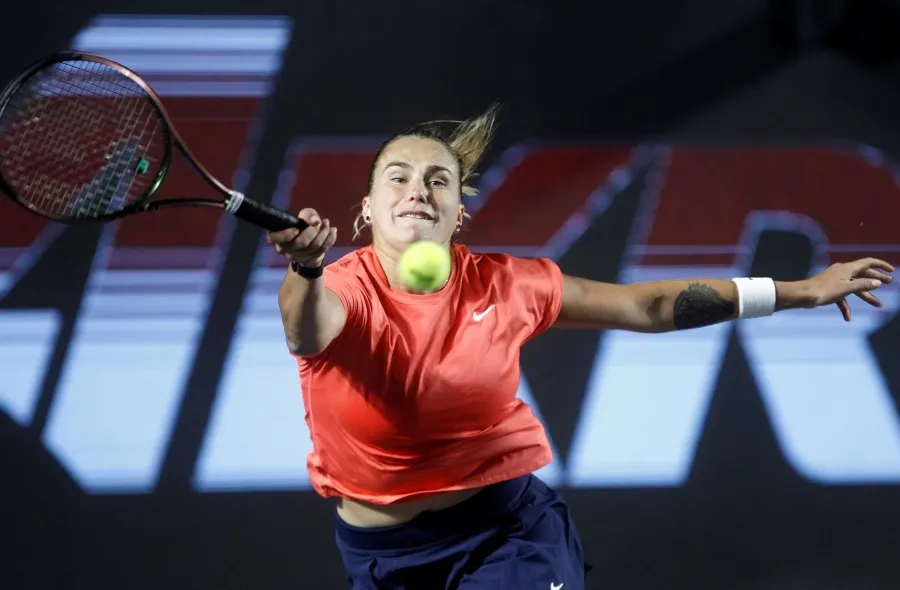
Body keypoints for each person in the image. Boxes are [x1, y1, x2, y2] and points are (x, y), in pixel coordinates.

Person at [266, 105, 894, 590]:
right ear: (368, 209)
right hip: (381, 555)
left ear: (458, 214)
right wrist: (307, 268)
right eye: (398, 177)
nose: (417, 190)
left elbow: (645, 306)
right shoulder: (340, 288)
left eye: (438, 180)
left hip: (505, 535)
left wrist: (798, 290)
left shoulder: (507, 284)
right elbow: (306, 328)